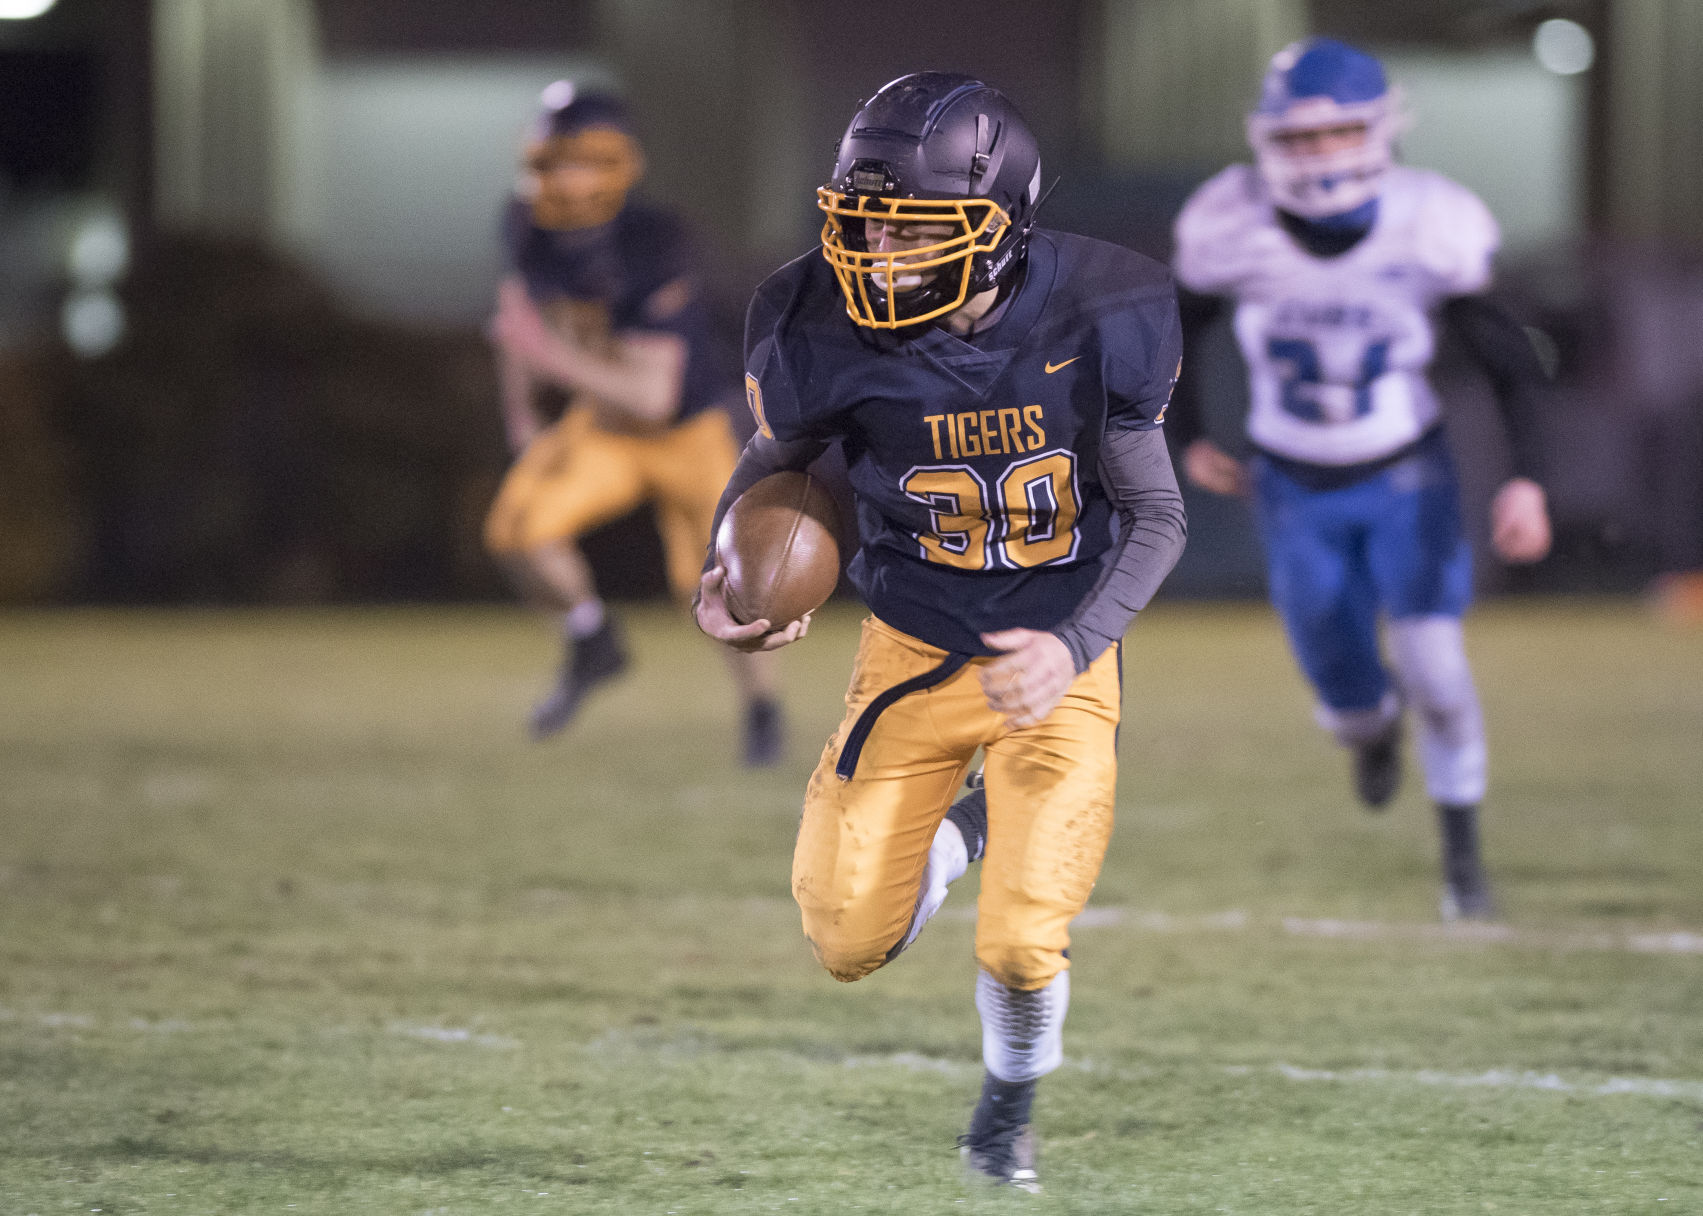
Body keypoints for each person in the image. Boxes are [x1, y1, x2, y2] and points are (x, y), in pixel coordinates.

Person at [694, 72, 1187, 1190]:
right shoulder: (812, 316)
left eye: (912, 228)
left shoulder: (1099, 309)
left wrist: (1073, 645)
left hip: (1057, 653)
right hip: (911, 648)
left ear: (999, 229)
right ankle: (964, 831)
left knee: (1019, 940)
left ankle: (1003, 1112)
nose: (874, 250)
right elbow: (771, 466)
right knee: (843, 940)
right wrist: (726, 569)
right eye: (861, 221)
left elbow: (1155, 514)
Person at [1169, 38, 1553, 919]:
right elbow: (1176, 332)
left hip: (1404, 471)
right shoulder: (1231, 221)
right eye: (1297, 139)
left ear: (1380, 131)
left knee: (1437, 666)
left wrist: (1527, 477)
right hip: (1291, 485)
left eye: (1338, 132)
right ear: (1264, 141)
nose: (1318, 155)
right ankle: (1371, 736)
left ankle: (1462, 860)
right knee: (1348, 704)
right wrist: (1188, 436)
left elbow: (1508, 359)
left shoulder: (1430, 219)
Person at [484, 84, 784, 764]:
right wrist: (521, 413)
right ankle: (593, 641)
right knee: (516, 530)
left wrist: (549, 358)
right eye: (555, 161)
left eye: (584, 161)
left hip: (686, 431)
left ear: (621, 164)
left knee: (716, 586)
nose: (565, 179)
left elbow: (653, 394)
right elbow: (516, 322)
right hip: (602, 428)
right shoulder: (526, 229)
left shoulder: (656, 241)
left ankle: (761, 707)